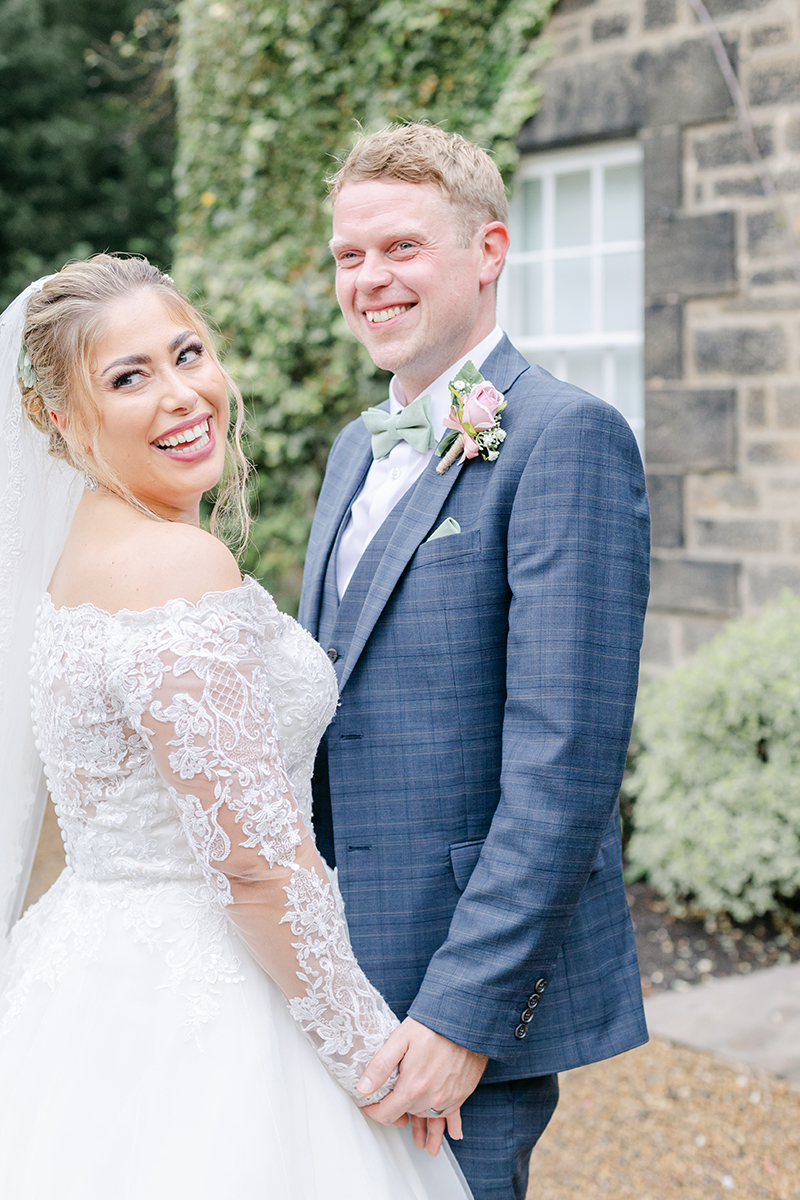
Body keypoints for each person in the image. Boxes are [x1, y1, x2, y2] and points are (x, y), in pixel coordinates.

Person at [0, 254, 474, 1200]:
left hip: (89, 967)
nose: (183, 395)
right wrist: (371, 1058)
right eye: (129, 377)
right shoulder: (177, 568)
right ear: (59, 419)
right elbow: (253, 863)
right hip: (214, 1003)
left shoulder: (80, 551)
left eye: (189, 353)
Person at [298, 123, 651, 1200]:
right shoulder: (356, 445)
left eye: (400, 248)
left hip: (457, 986)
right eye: (350, 256)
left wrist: (464, 1012)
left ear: (487, 249)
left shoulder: (565, 437)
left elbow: (564, 762)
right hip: (329, 971)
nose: (370, 280)